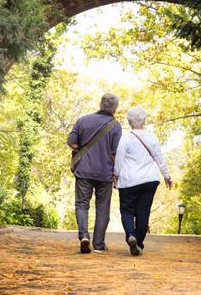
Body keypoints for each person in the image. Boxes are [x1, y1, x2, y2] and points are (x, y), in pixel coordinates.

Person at [67, 93, 122, 253]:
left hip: (84, 170)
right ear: (115, 108)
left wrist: (83, 150)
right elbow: (115, 154)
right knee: (102, 209)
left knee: (82, 204)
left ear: (100, 104)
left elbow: (72, 142)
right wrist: (116, 172)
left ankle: (84, 235)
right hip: (105, 173)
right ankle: (99, 244)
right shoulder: (115, 126)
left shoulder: (83, 120)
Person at [113, 107, 172, 256]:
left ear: (129, 121)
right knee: (143, 212)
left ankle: (130, 235)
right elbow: (160, 159)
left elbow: (119, 159)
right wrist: (167, 176)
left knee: (126, 210)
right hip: (149, 180)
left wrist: (115, 175)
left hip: (129, 181)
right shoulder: (152, 138)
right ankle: (138, 243)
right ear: (144, 121)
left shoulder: (125, 138)